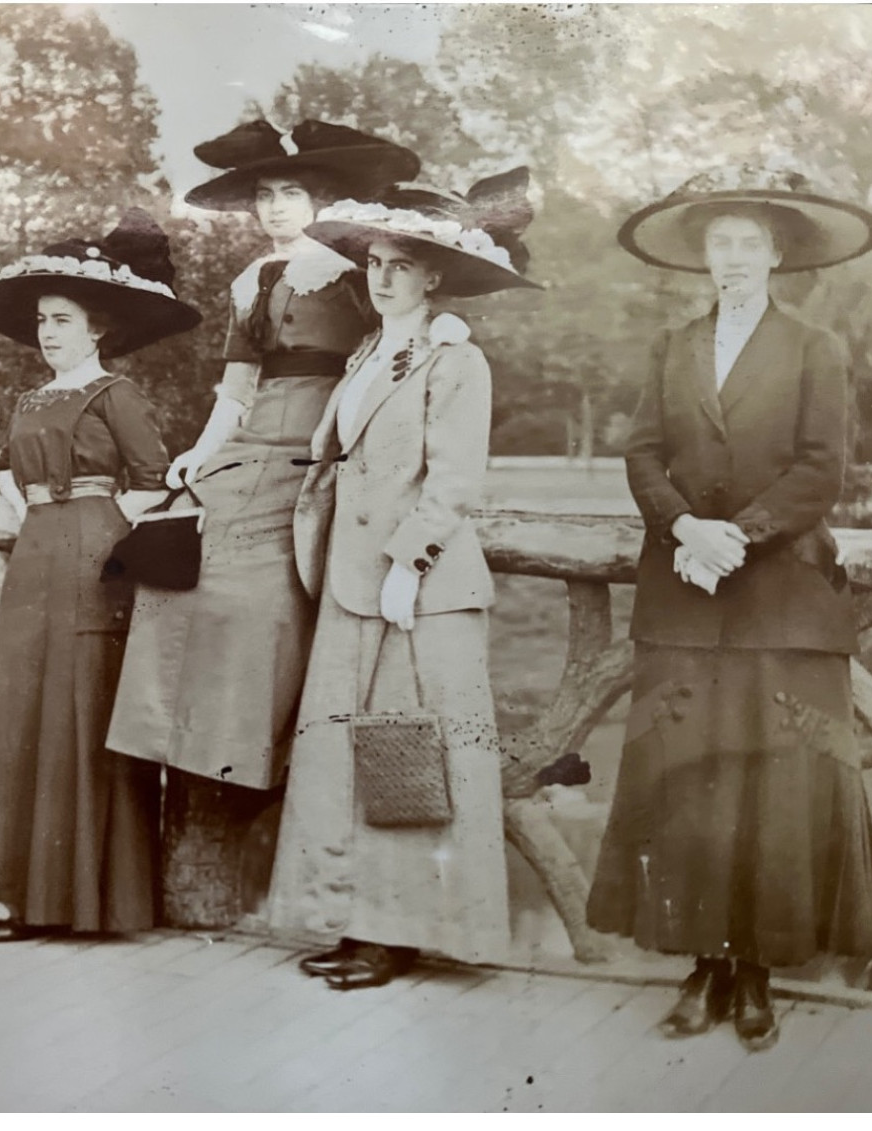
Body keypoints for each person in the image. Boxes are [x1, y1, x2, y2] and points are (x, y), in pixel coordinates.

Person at [586, 167, 872, 1051]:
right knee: (689, 780)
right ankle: (702, 965)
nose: (731, 258)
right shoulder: (672, 345)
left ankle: (755, 973)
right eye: (717, 243)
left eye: (747, 244)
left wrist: (738, 534)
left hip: (778, 596)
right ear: (703, 258)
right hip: (683, 590)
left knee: (772, 786)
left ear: (777, 256)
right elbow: (643, 453)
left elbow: (822, 466)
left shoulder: (815, 347)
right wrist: (685, 524)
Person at [264, 172, 539, 989]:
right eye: (375, 263)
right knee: (350, 756)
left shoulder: (457, 360)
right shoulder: (370, 352)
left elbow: (452, 480)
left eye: (399, 266)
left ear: (434, 278)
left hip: (418, 590)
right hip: (351, 581)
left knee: (412, 757)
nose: (381, 277)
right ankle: (355, 921)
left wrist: (407, 563)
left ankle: (403, 932)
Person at [105, 120, 420, 799]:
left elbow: (398, 348)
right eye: (267, 194)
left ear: (320, 201)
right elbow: (239, 388)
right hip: (252, 442)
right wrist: (201, 451)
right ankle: (165, 739)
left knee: (254, 597)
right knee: (173, 564)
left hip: (323, 441)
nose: (277, 207)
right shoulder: (251, 279)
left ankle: (242, 757)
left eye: (293, 193)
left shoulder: (355, 272)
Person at [0, 209, 201, 941]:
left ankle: (80, 901)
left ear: (98, 326)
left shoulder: (117, 394)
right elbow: (13, 474)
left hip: (91, 562)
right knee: (16, 714)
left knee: (78, 716)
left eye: (64, 320)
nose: (48, 333)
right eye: (43, 320)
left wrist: (101, 526)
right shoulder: (28, 399)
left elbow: (154, 479)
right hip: (33, 561)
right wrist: (26, 501)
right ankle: (2, 894)